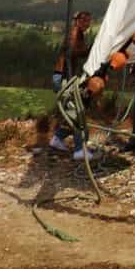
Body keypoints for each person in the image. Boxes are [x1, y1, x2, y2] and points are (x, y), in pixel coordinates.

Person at [50, 11, 95, 159]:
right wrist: (88, 50)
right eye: (87, 21)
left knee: (71, 113)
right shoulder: (75, 33)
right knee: (77, 112)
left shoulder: (77, 33)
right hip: (63, 77)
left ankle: (57, 138)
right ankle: (78, 150)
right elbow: (72, 52)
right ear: (81, 21)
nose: (88, 25)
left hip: (63, 77)